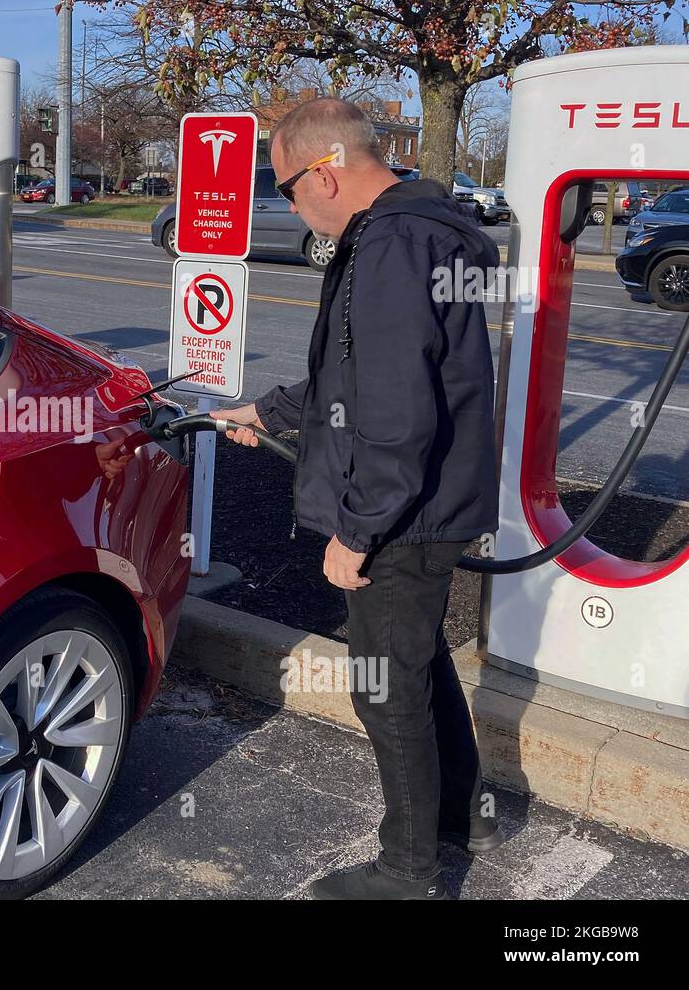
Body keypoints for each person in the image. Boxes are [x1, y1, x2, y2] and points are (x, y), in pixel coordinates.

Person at [212, 98, 503, 900]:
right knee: (416, 658)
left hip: (404, 514)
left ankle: (410, 871)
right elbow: (353, 377)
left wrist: (360, 530)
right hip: (429, 503)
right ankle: (461, 814)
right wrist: (264, 412)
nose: (290, 206)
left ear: (325, 172)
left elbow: (394, 410)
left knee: (383, 682)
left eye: (286, 188)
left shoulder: (390, 246)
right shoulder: (410, 231)